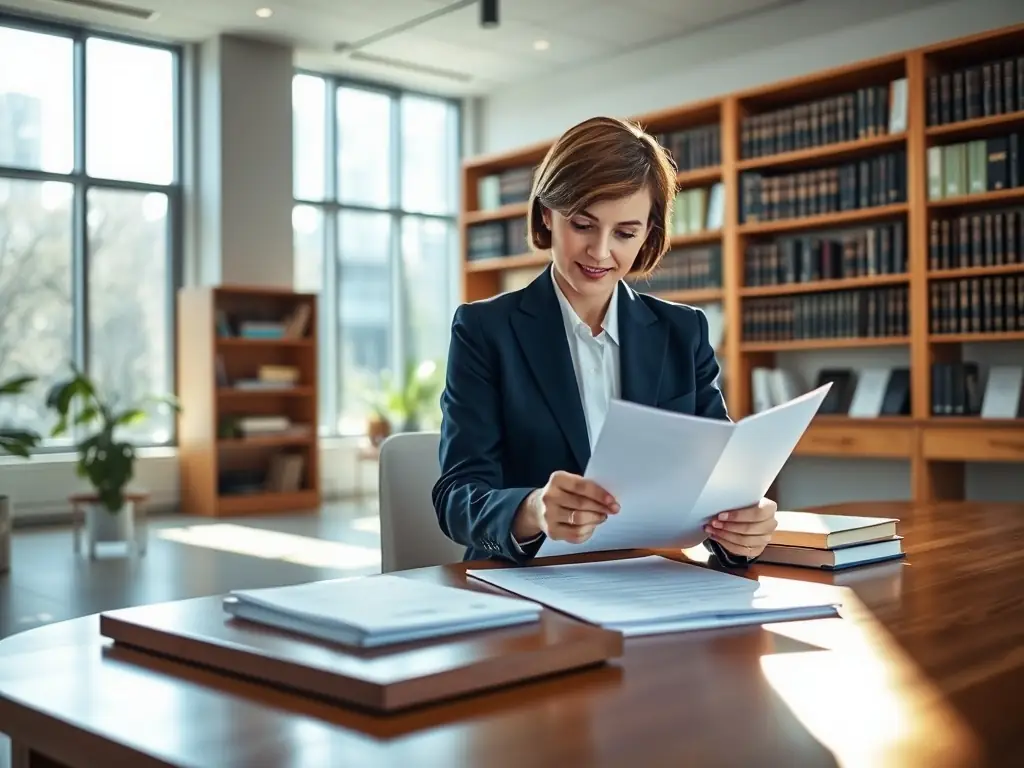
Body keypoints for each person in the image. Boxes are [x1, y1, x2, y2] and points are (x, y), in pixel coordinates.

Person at [431, 116, 778, 567]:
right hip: (528, 583)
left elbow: (717, 485)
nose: (600, 251)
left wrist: (741, 529)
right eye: (582, 224)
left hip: (652, 579)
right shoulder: (485, 330)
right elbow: (457, 496)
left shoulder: (683, 332)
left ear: (648, 233)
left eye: (625, 233)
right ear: (546, 215)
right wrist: (532, 508)